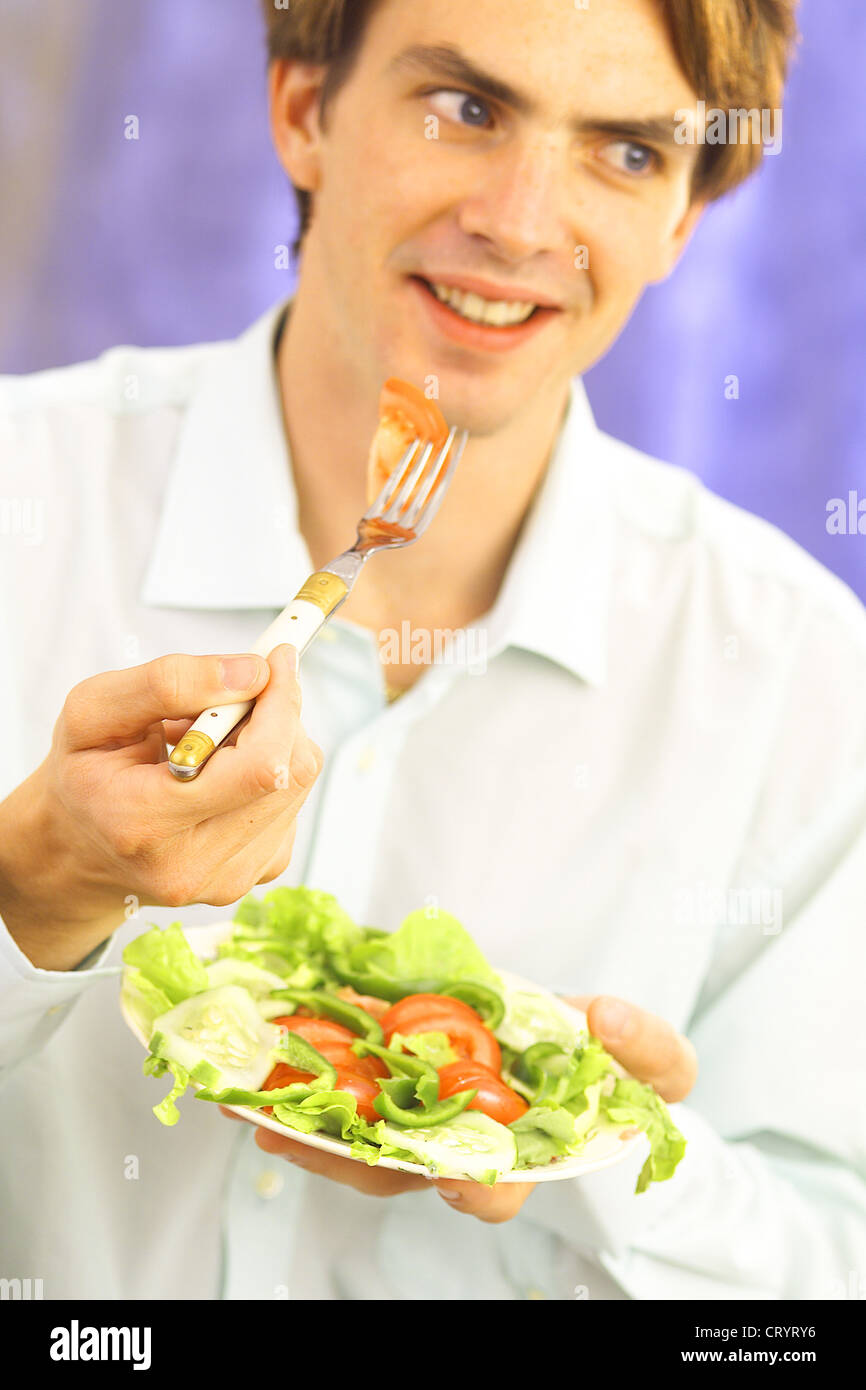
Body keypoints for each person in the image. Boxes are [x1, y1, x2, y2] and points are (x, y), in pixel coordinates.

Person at [0, 0, 863, 1301]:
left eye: (625, 151)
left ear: (681, 217)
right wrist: (33, 890)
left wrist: (616, 1146)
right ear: (302, 110)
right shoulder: (27, 499)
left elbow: (821, 1276)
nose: (520, 222)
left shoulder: (802, 681)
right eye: (464, 108)